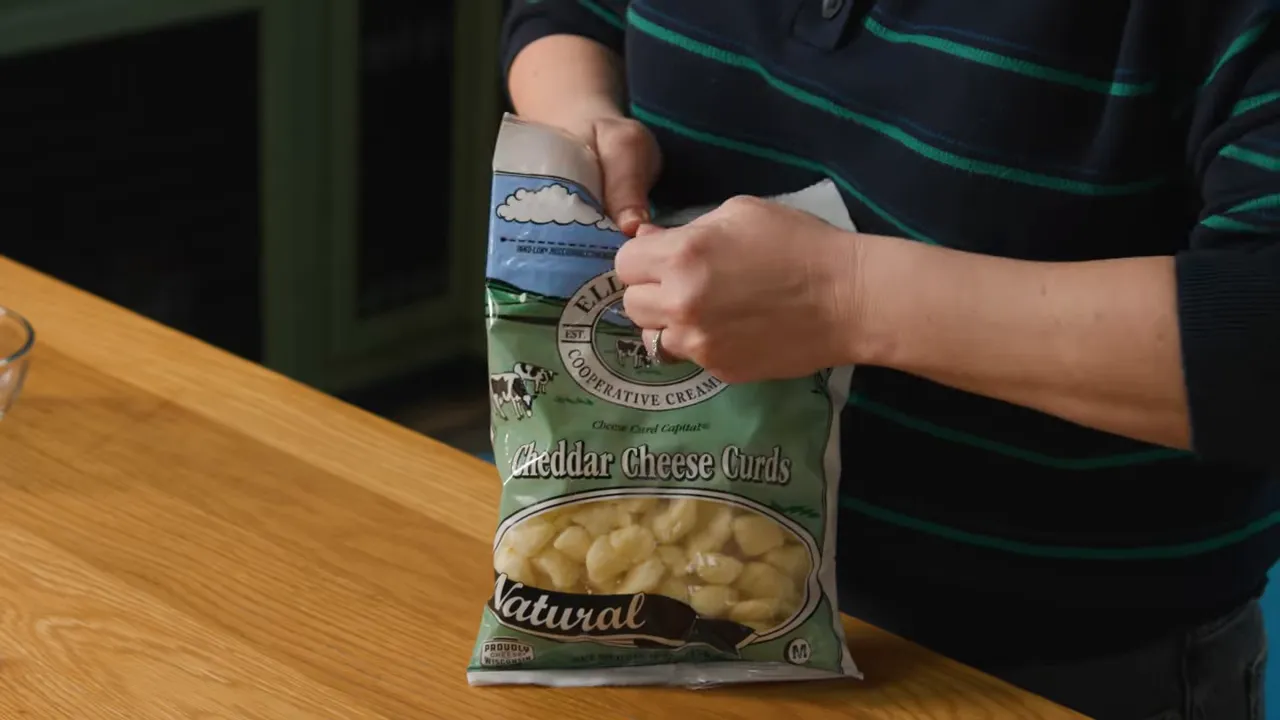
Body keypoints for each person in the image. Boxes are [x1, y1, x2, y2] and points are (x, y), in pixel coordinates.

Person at [501, 2, 1280, 717]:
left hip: (1055, 665)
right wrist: (578, 116)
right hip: (681, 604)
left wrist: (845, 297)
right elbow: (570, 13)